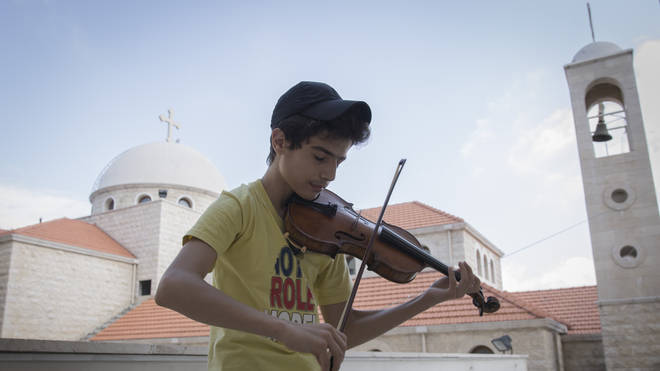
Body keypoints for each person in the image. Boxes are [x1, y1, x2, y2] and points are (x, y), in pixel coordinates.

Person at [155, 81, 481, 371]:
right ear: (280, 141)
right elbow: (173, 286)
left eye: (339, 161)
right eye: (320, 157)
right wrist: (283, 329)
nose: (330, 175)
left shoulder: (327, 226)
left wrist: (426, 300)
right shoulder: (239, 207)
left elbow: (345, 328)